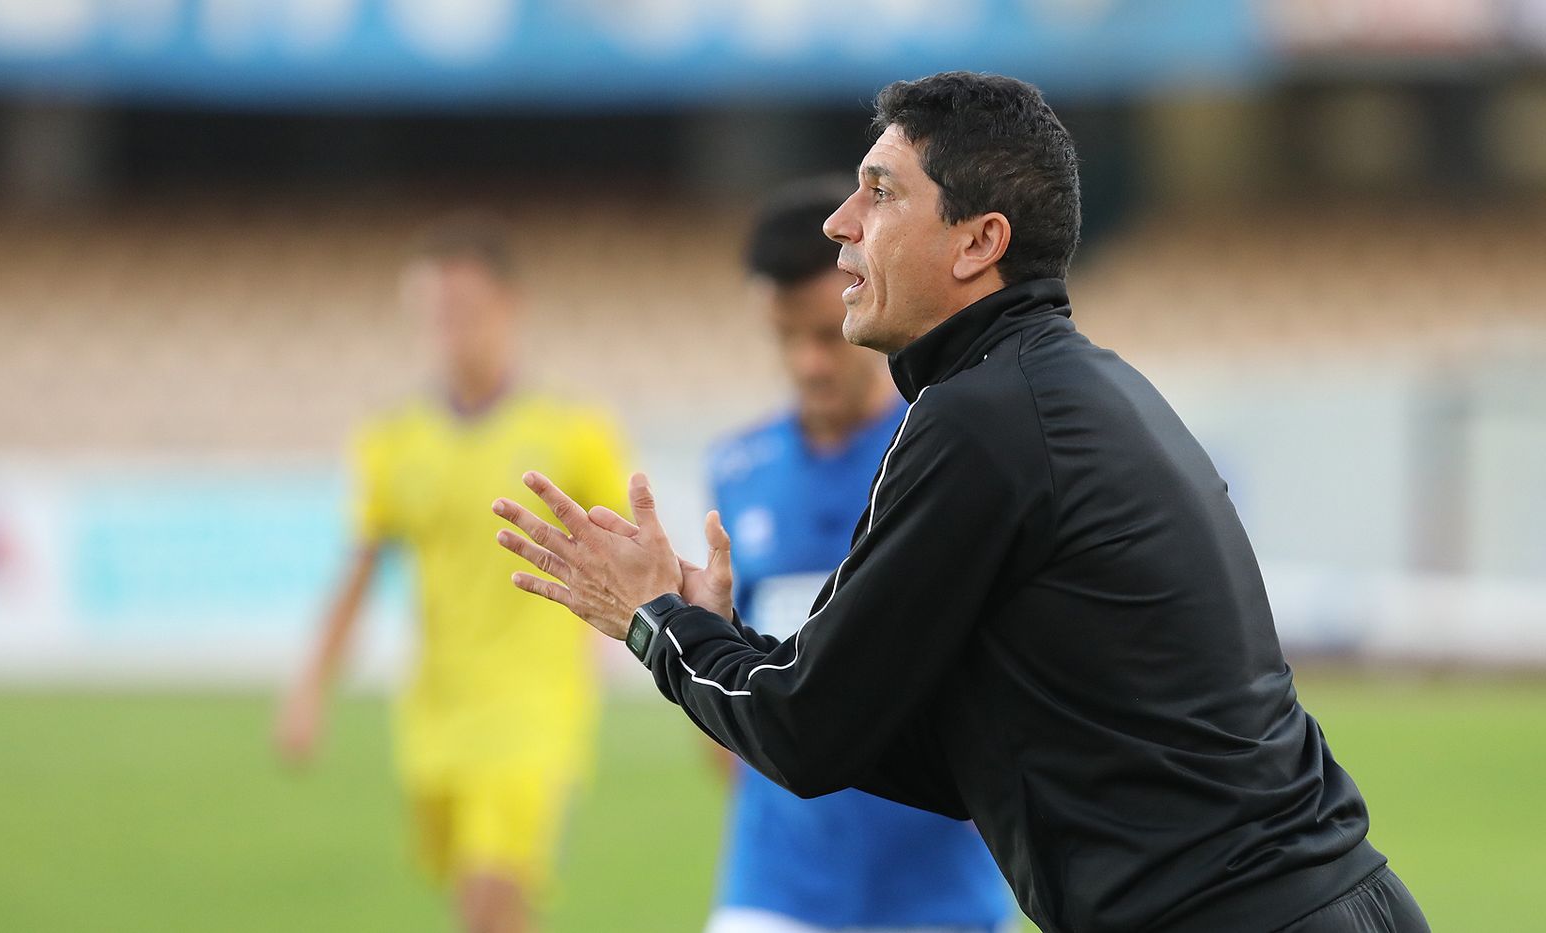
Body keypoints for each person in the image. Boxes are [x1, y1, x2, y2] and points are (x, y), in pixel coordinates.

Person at [491, 73, 1429, 933]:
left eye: (882, 191)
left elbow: (807, 732)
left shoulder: (978, 419)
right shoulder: (1072, 390)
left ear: (981, 242)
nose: (840, 223)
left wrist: (654, 621)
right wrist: (722, 636)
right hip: (1328, 900)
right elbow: (946, 745)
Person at [275, 212, 629, 933]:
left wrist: (637, 639)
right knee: (482, 905)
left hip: (535, 702)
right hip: (434, 708)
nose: (449, 327)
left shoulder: (574, 430)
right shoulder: (392, 437)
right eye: (433, 312)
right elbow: (361, 569)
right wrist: (311, 685)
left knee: (490, 899)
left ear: (510, 306)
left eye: (464, 309)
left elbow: (630, 549)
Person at [704, 179, 1012, 933]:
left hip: (937, 892)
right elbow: (725, 646)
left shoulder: (948, 451)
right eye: (785, 337)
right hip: (775, 884)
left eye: (821, 332)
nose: (810, 363)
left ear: (861, 294)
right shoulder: (738, 469)